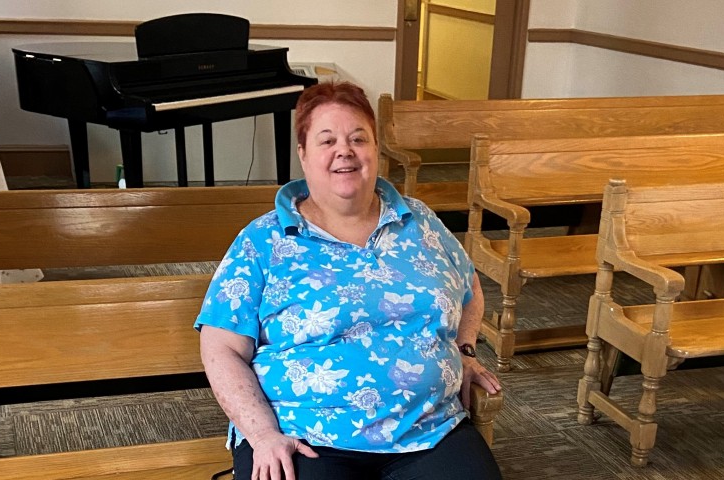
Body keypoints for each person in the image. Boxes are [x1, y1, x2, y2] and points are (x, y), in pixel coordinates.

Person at [195, 81, 502, 480]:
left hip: (430, 429)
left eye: (359, 138)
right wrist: (263, 434)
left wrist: (464, 349)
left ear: (376, 151)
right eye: (327, 141)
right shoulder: (263, 241)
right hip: (305, 437)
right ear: (303, 155)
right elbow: (220, 348)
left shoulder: (420, 220)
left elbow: (470, 288)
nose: (345, 150)